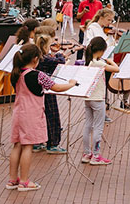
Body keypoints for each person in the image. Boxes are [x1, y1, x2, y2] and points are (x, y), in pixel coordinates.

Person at [7, 44, 77, 191]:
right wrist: (71, 84)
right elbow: (56, 87)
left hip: (19, 113)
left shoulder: (16, 73)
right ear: (35, 59)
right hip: (31, 114)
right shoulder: (37, 75)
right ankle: (25, 181)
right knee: (28, 145)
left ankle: (12, 179)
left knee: (17, 145)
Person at [82, 36, 119, 166]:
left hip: (88, 98)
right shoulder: (98, 63)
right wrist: (110, 61)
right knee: (98, 127)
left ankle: (86, 153)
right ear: (102, 50)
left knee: (88, 125)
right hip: (97, 98)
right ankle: (96, 155)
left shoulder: (89, 61)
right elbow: (116, 69)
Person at [33, 32, 68, 154]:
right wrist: (59, 54)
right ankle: (53, 143)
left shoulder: (36, 57)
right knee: (52, 116)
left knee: (39, 117)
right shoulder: (46, 59)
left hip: (36, 91)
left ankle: (37, 142)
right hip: (48, 89)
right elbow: (60, 61)